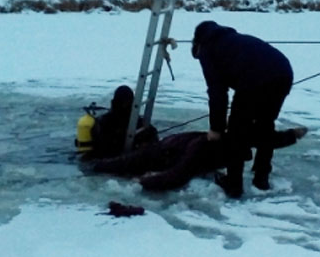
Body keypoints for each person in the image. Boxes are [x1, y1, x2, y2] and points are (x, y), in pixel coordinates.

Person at [191, 21, 295, 198]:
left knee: (236, 133)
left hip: (255, 80)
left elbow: (217, 92)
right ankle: (261, 177)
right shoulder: (233, 40)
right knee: (265, 123)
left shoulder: (208, 48)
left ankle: (233, 184)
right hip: (283, 72)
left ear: (197, 42)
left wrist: (216, 129)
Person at [87, 126, 307, 192]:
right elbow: (177, 176)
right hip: (161, 155)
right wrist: (143, 182)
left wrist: (291, 135)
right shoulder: (202, 150)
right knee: (117, 165)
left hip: (170, 146)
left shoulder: (229, 141)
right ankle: (91, 166)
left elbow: (261, 138)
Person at [86, 85, 156, 159]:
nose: (125, 106)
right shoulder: (103, 123)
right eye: (124, 103)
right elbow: (103, 149)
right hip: (106, 161)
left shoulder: (137, 122)